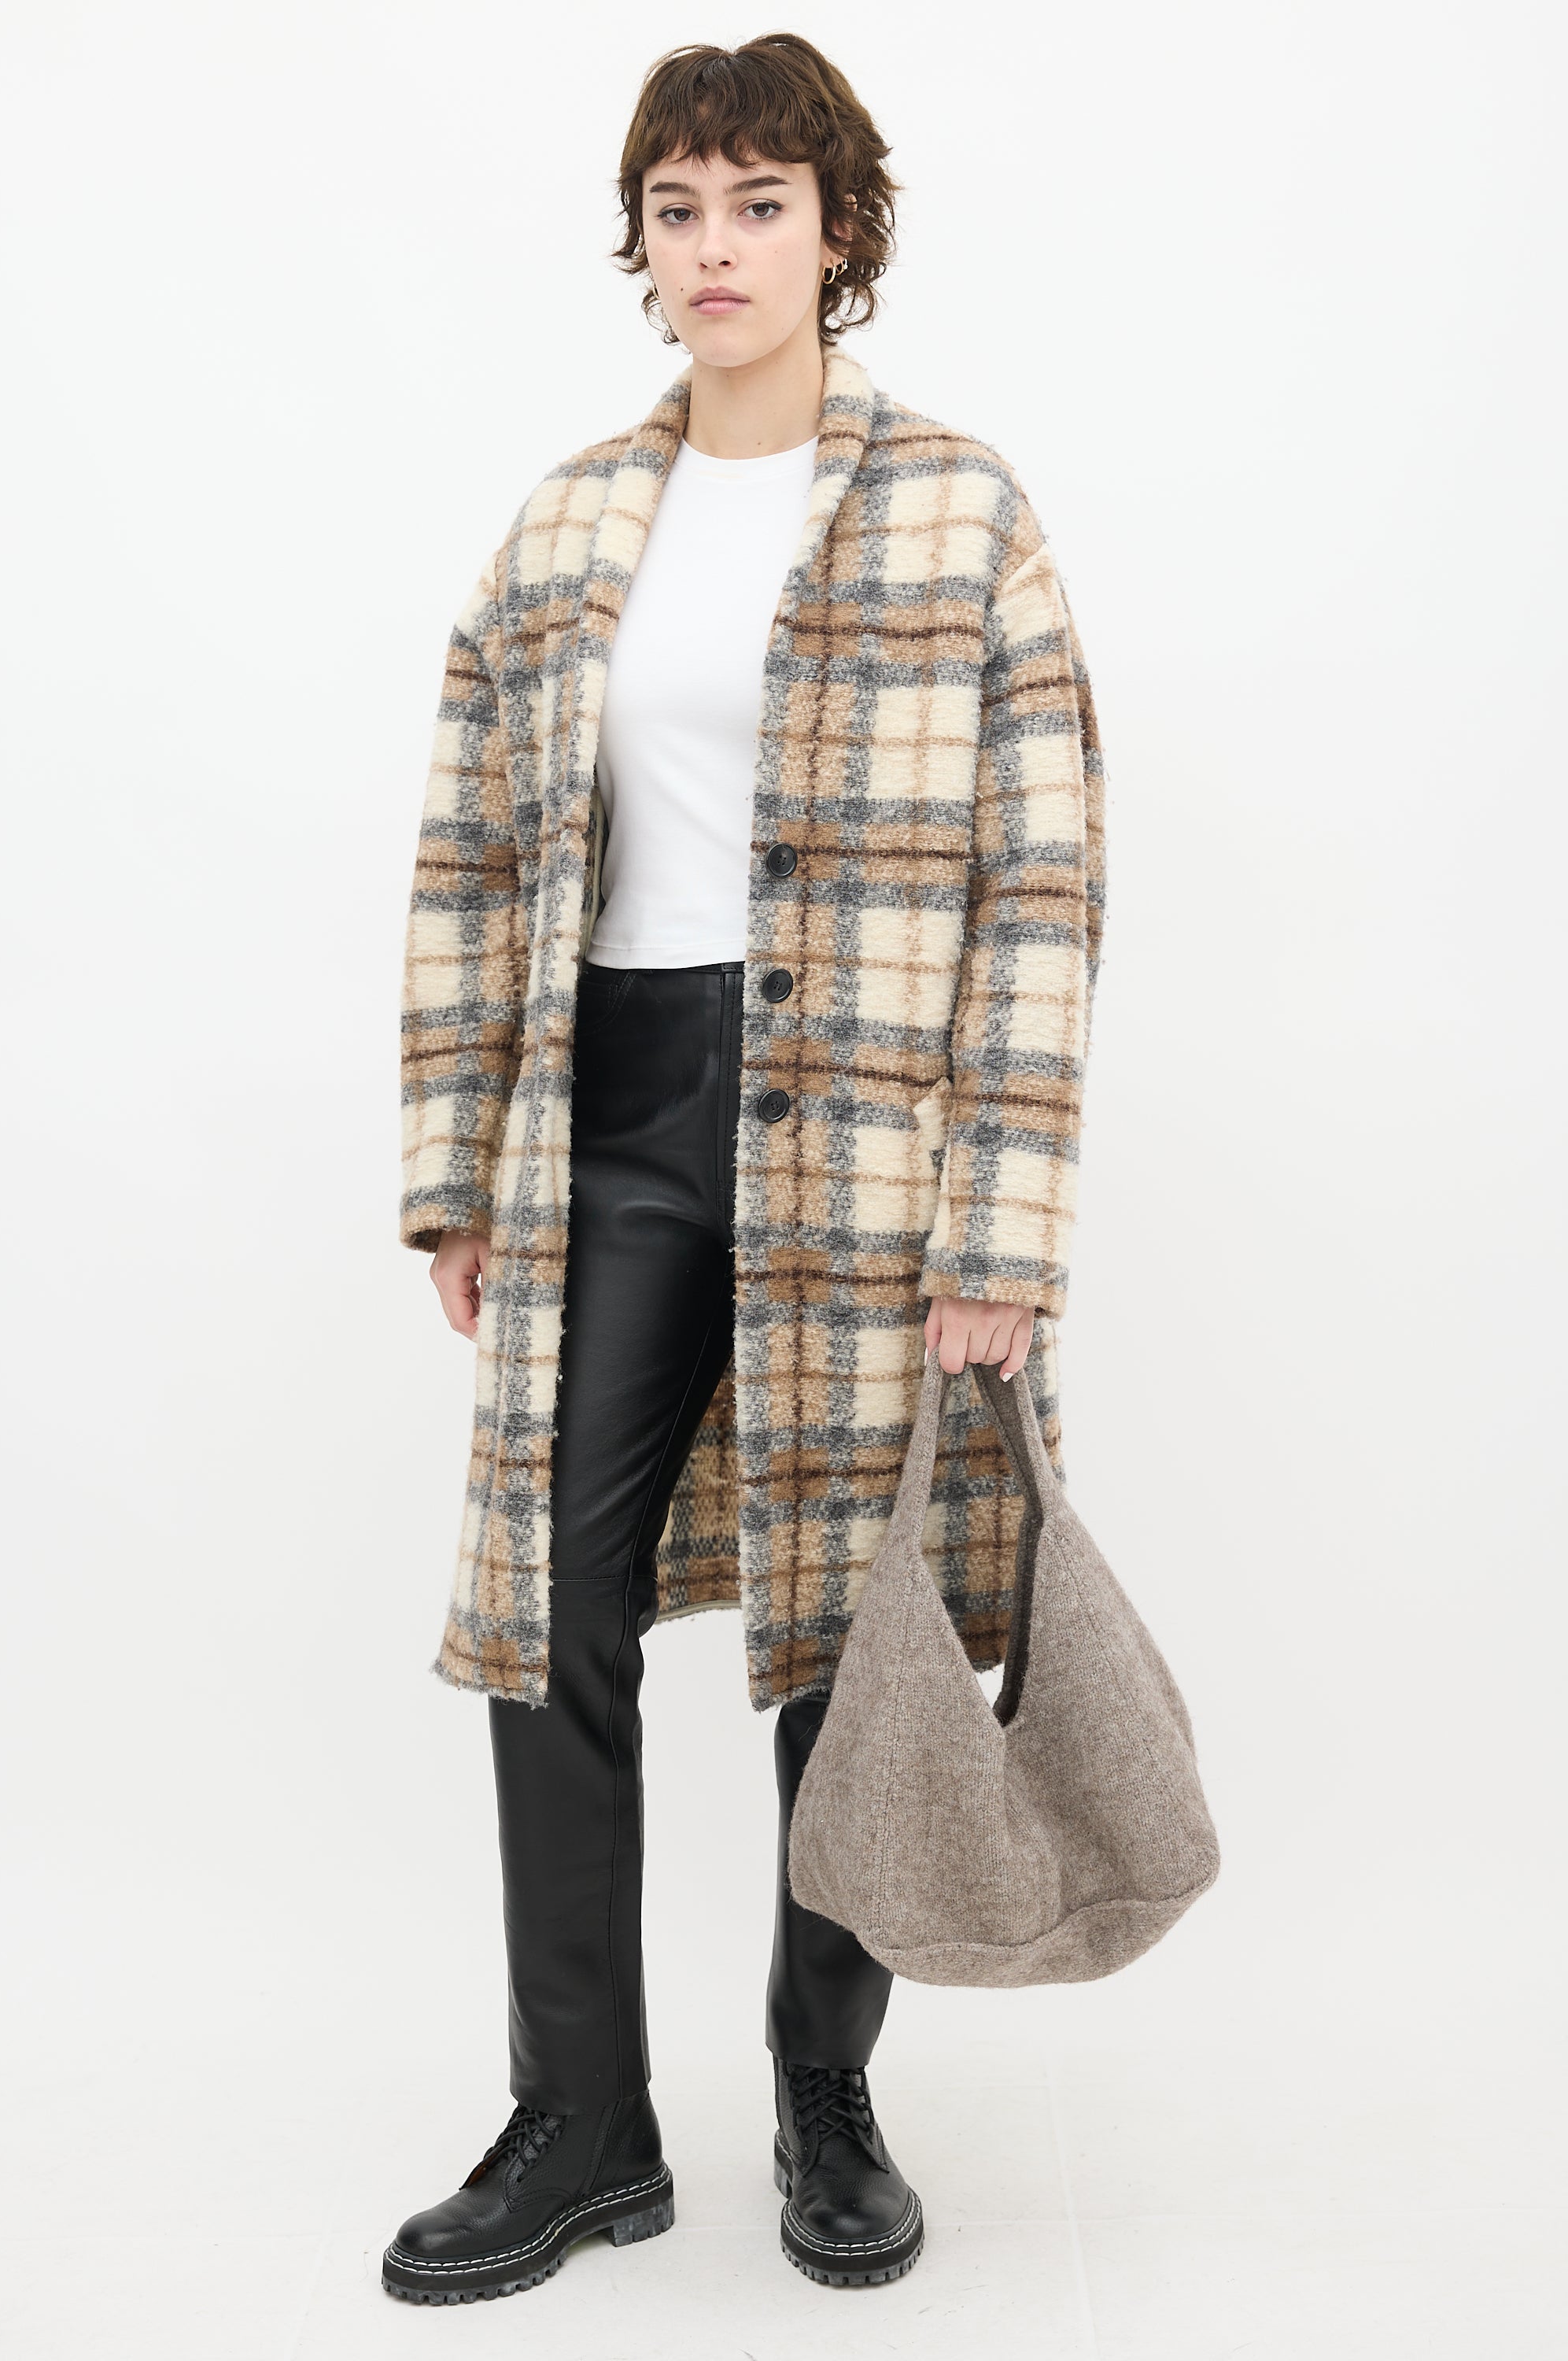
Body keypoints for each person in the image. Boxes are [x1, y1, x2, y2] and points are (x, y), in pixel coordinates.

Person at [383, 31, 1105, 2303]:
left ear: (838, 233)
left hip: (866, 1131)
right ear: (643, 242)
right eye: (679, 210)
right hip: (606, 1112)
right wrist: (457, 1170)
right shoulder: (565, 526)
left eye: (760, 207)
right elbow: (471, 851)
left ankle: (826, 2093)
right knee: (550, 1614)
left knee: (839, 1630)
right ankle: (582, 2123)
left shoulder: (961, 510)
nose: (716, 249)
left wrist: (1001, 1224)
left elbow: (1045, 886)